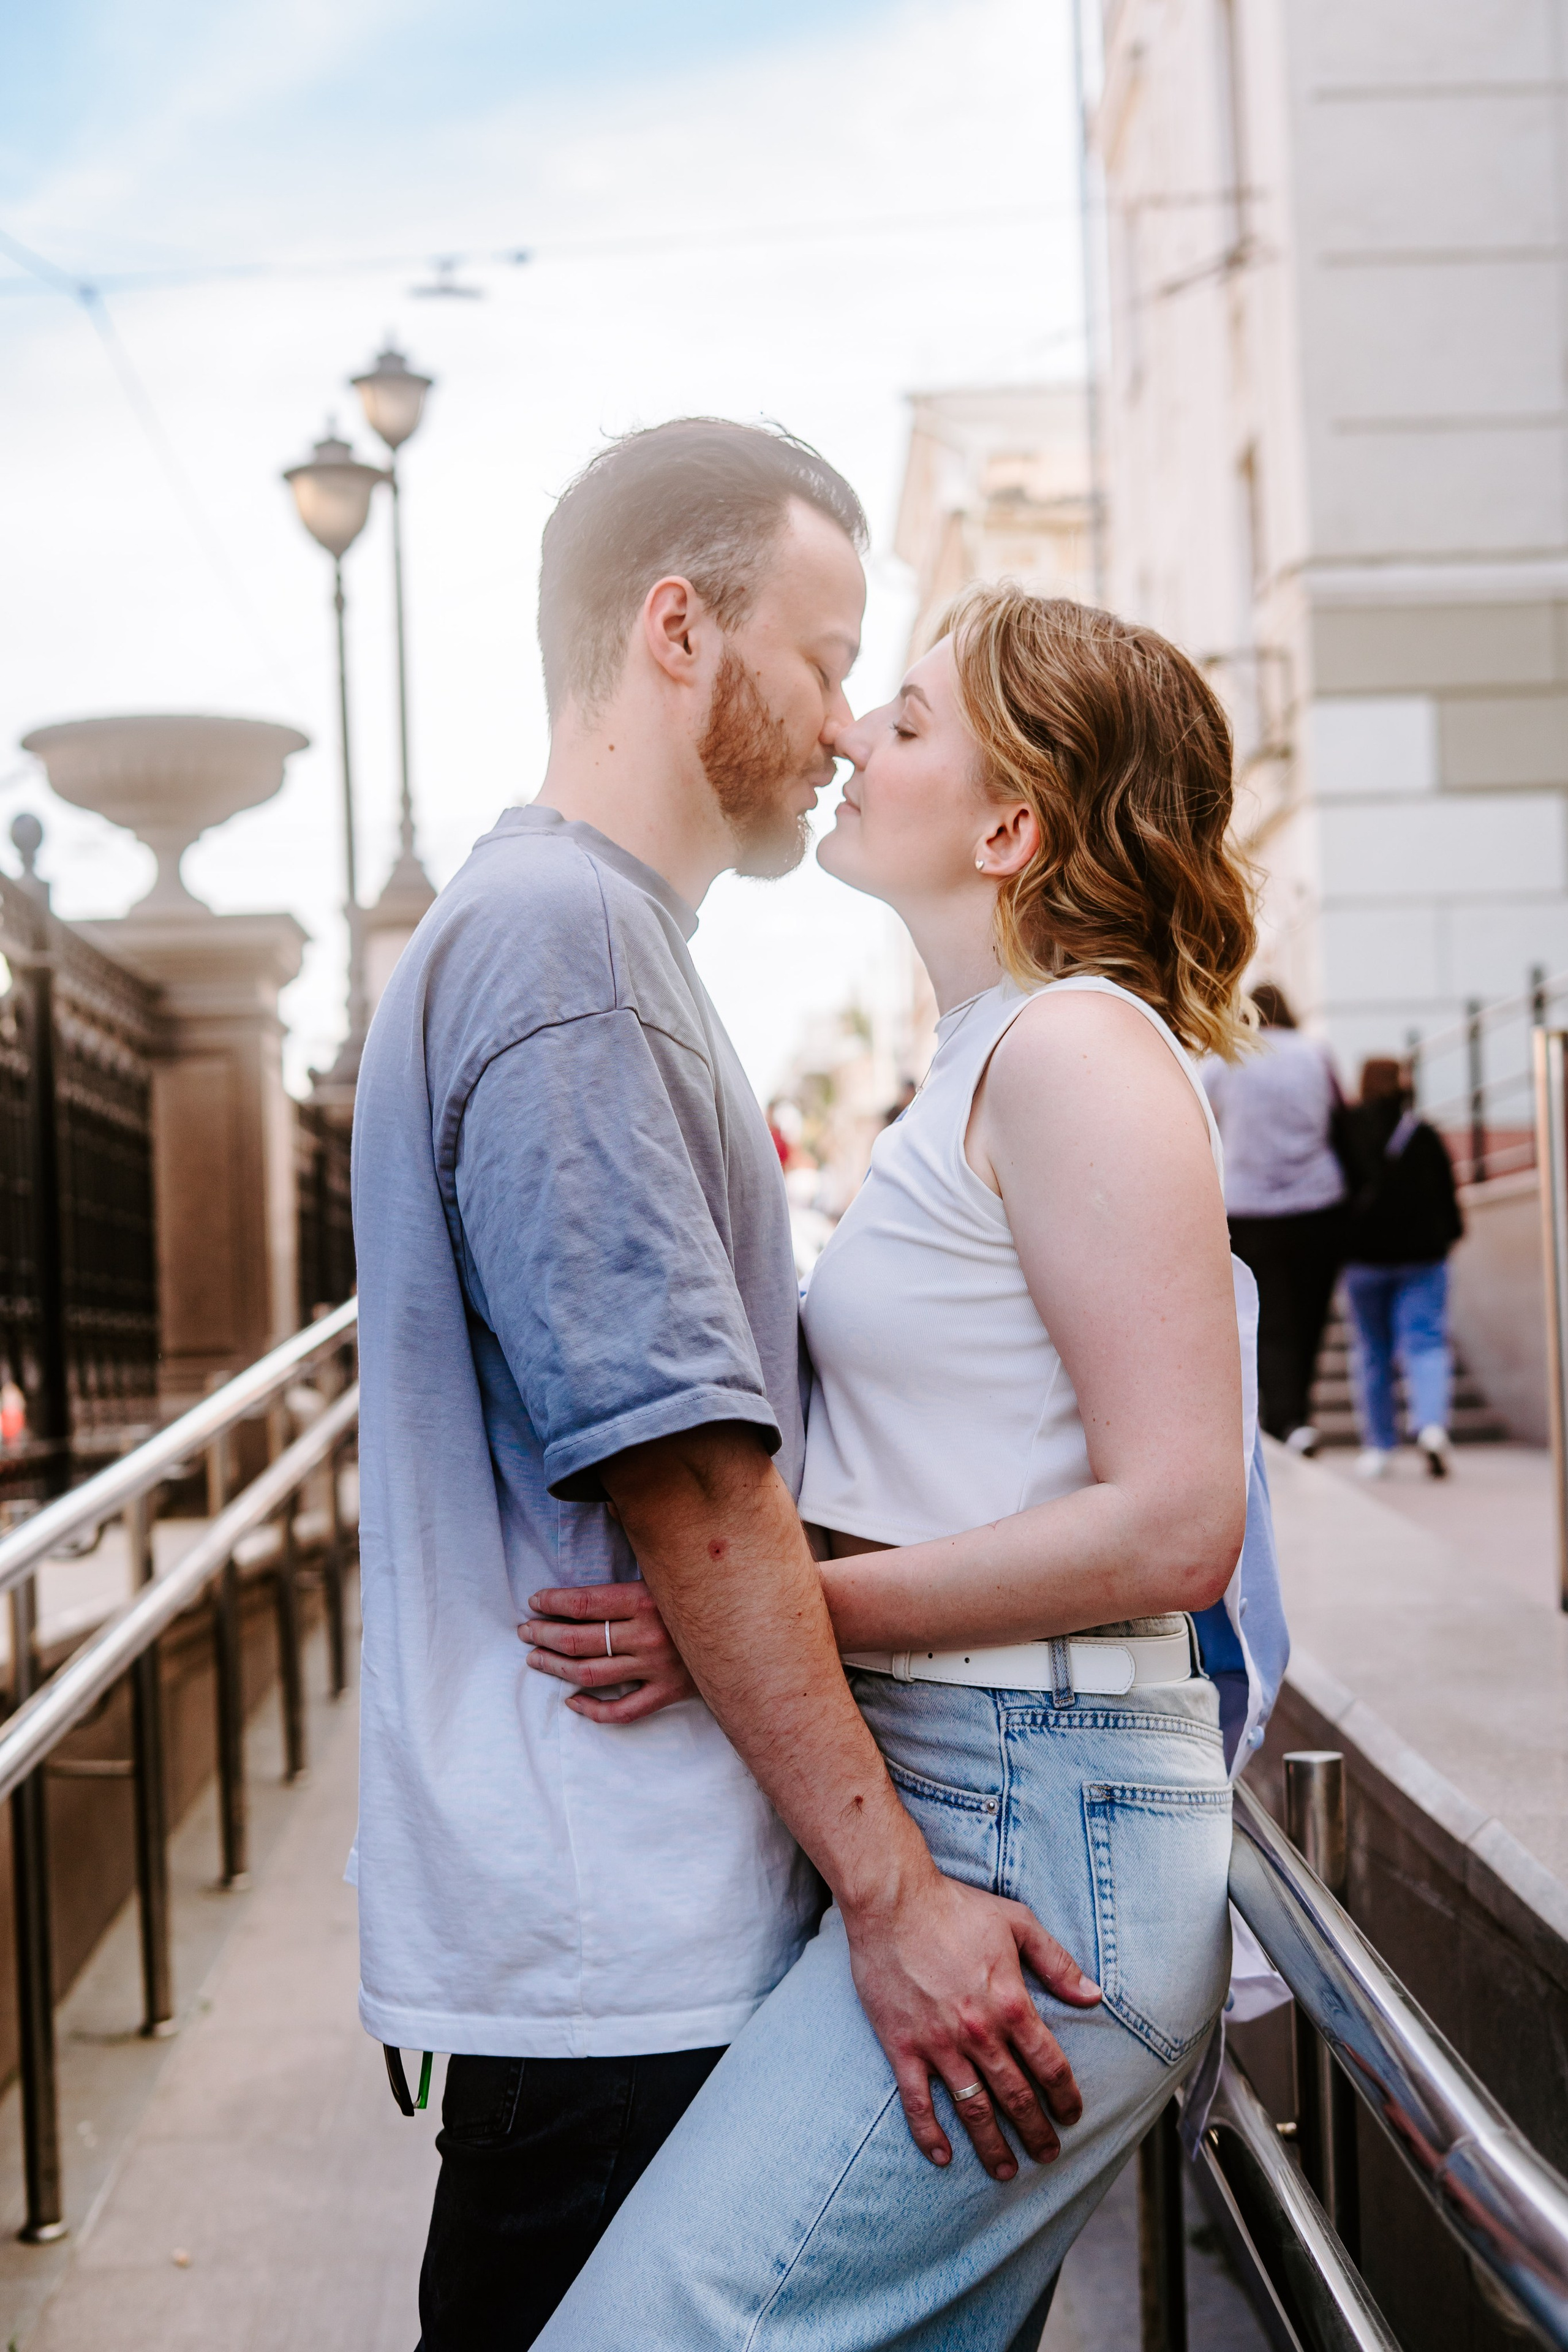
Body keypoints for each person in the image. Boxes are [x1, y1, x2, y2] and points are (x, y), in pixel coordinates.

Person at [350, 422, 1112, 2352]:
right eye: (827, 657)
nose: (846, 722)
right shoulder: (568, 951)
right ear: (677, 630)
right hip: (626, 1953)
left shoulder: (588, 937)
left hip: (616, 1941)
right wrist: (894, 1893)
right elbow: (692, 1483)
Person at [528, 587, 1288, 2350]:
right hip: (990, 1783)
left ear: (1010, 828)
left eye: (913, 718)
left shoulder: (1074, 1048)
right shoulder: (986, 1063)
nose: (854, 730)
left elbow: (1177, 1519)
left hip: (1041, 1822)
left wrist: (757, 1622)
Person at [1204, 981, 1347, 1454]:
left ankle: (1283, 1418)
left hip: (1250, 1209)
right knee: (1310, 1314)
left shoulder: (1226, 1057)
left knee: (1268, 1316)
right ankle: (1297, 1414)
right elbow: (1339, 1113)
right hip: (1319, 1202)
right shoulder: (1315, 1053)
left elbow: (1200, 1116)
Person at [1337, 1056, 1463, 1479]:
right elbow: (1447, 1194)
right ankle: (1431, 1426)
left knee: (1372, 1351)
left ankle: (1379, 1445)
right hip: (1423, 1258)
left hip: (1364, 1259)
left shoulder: (1346, 1129)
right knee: (1426, 1342)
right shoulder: (1422, 1133)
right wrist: (1448, 1236)